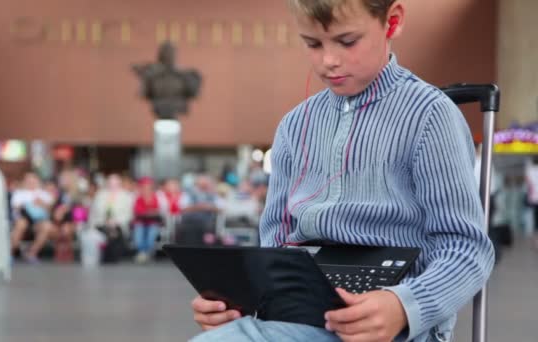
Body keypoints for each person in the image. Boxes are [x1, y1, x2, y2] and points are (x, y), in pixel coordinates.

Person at [190, 1, 495, 341]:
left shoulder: (429, 117)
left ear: (391, 22)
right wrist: (241, 301)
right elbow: (276, 245)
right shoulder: (294, 126)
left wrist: (403, 306)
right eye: (313, 44)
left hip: (396, 325)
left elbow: (466, 249)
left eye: (347, 42)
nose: (328, 61)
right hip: (300, 316)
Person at [10, 173, 55, 263]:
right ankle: (11, 253)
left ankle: (32, 253)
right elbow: (15, 208)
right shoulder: (19, 193)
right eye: (28, 181)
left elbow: (50, 209)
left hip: (38, 221)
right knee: (21, 224)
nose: (31, 183)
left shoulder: (44, 194)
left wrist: (41, 203)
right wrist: (27, 206)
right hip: (23, 219)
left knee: (47, 226)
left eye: (33, 181)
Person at [132, 177, 166, 263]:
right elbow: (137, 212)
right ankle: (142, 252)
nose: (146, 189)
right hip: (140, 222)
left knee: (152, 233)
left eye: (148, 187)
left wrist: (148, 212)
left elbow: (159, 211)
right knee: (138, 233)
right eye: (144, 187)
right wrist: (150, 212)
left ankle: (147, 252)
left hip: (153, 222)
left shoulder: (157, 197)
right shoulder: (138, 198)